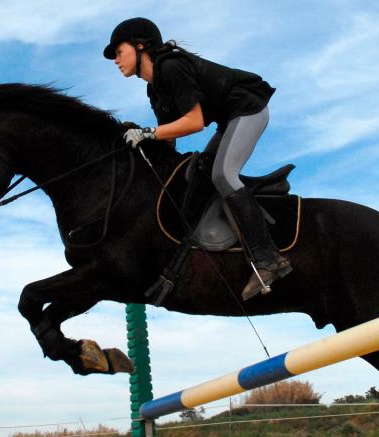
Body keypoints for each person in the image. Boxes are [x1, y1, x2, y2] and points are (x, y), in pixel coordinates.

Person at [104, 17, 292, 301]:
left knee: (223, 174)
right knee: (205, 169)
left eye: (119, 52)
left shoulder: (171, 66)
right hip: (229, 119)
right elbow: (168, 137)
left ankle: (268, 260)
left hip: (249, 108)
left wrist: (146, 133)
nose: (116, 60)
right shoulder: (154, 88)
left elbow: (194, 121)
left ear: (140, 45)